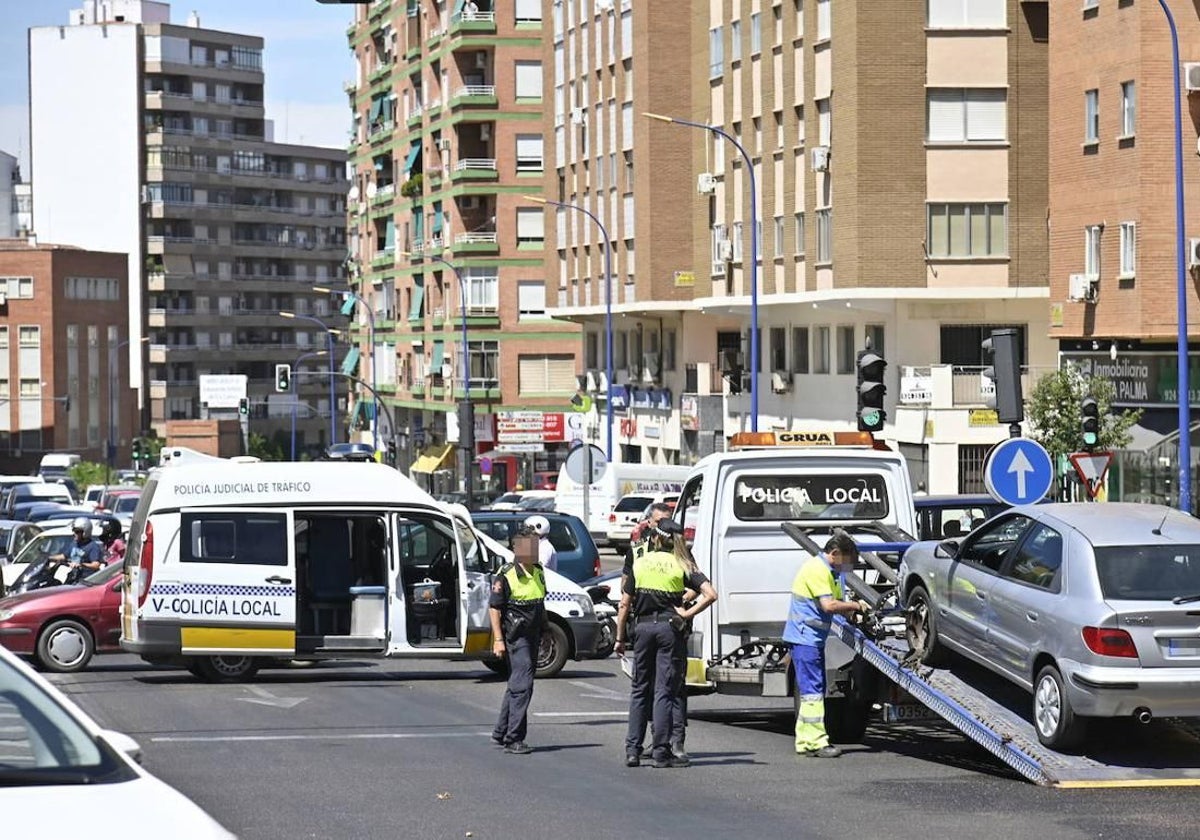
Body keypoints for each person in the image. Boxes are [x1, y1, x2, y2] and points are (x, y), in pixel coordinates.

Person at [615, 518, 717, 769]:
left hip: (643, 628)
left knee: (640, 689)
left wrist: (619, 638)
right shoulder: (682, 563)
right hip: (669, 629)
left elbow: (624, 604)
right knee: (664, 691)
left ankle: (633, 750)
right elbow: (711, 594)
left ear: (655, 538)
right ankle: (661, 751)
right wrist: (687, 613)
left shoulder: (641, 562)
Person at [783, 531, 869, 758]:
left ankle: (804, 741)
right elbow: (829, 606)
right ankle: (818, 742)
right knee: (813, 692)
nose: (849, 568)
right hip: (805, 638)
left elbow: (838, 603)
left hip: (811, 638)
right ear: (835, 554)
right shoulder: (817, 570)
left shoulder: (832, 572)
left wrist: (852, 613)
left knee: (812, 690)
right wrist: (856, 606)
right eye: (848, 562)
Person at [490, 526, 547, 755]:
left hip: (534, 635)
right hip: (516, 636)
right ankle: (514, 738)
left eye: (536, 546)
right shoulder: (506, 574)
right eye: (530, 546)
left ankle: (500, 730)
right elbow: (494, 609)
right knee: (523, 686)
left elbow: (540, 602)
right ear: (517, 548)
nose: (534, 551)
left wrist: (546, 630)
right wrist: (498, 640)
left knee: (517, 683)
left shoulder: (539, 570)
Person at [49, 518, 106, 584]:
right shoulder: (74, 543)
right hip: (72, 577)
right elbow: (64, 556)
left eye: (76, 532)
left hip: (84, 580)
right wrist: (49, 557)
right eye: (73, 531)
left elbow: (96, 565)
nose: (74, 534)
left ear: (85, 532)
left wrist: (81, 564)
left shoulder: (93, 546)